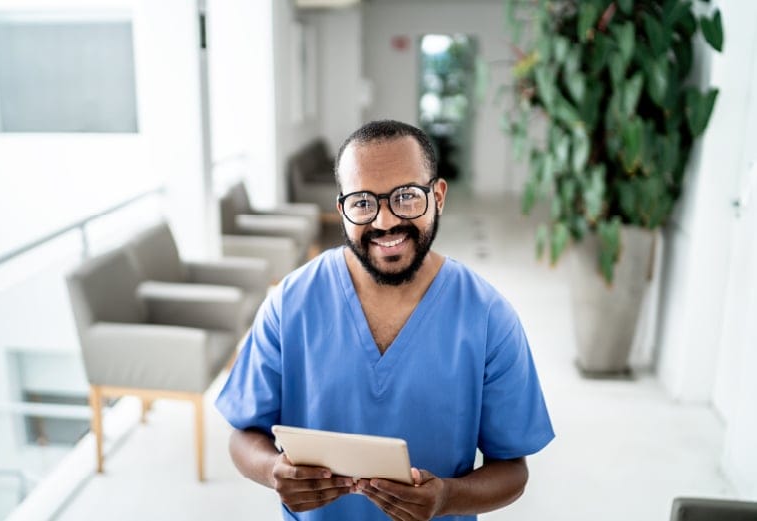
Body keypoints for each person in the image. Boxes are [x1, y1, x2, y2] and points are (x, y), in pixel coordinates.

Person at [216, 120, 554, 521]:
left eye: (406, 197)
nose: (384, 221)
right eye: (362, 202)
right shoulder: (291, 303)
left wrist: (447, 497)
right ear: (341, 209)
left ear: (438, 196)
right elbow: (243, 436)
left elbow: (513, 470)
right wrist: (275, 472)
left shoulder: (487, 317)